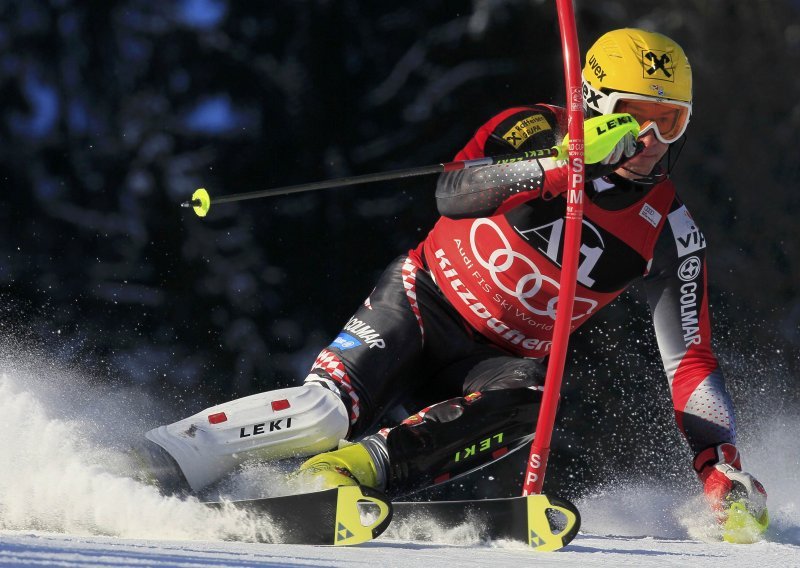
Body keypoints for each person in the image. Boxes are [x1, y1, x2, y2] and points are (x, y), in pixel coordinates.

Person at [140, 28, 767, 529]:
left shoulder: (670, 231)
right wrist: (551, 167)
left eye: (672, 121)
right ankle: (170, 455)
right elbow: (453, 192)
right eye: (638, 116)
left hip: (497, 362)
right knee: (323, 410)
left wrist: (718, 466)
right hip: (421, 302)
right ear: (597, 105)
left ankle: (345, 475)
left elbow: (690, 360)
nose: (654, 140)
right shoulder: (531, 129)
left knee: (538, 398)